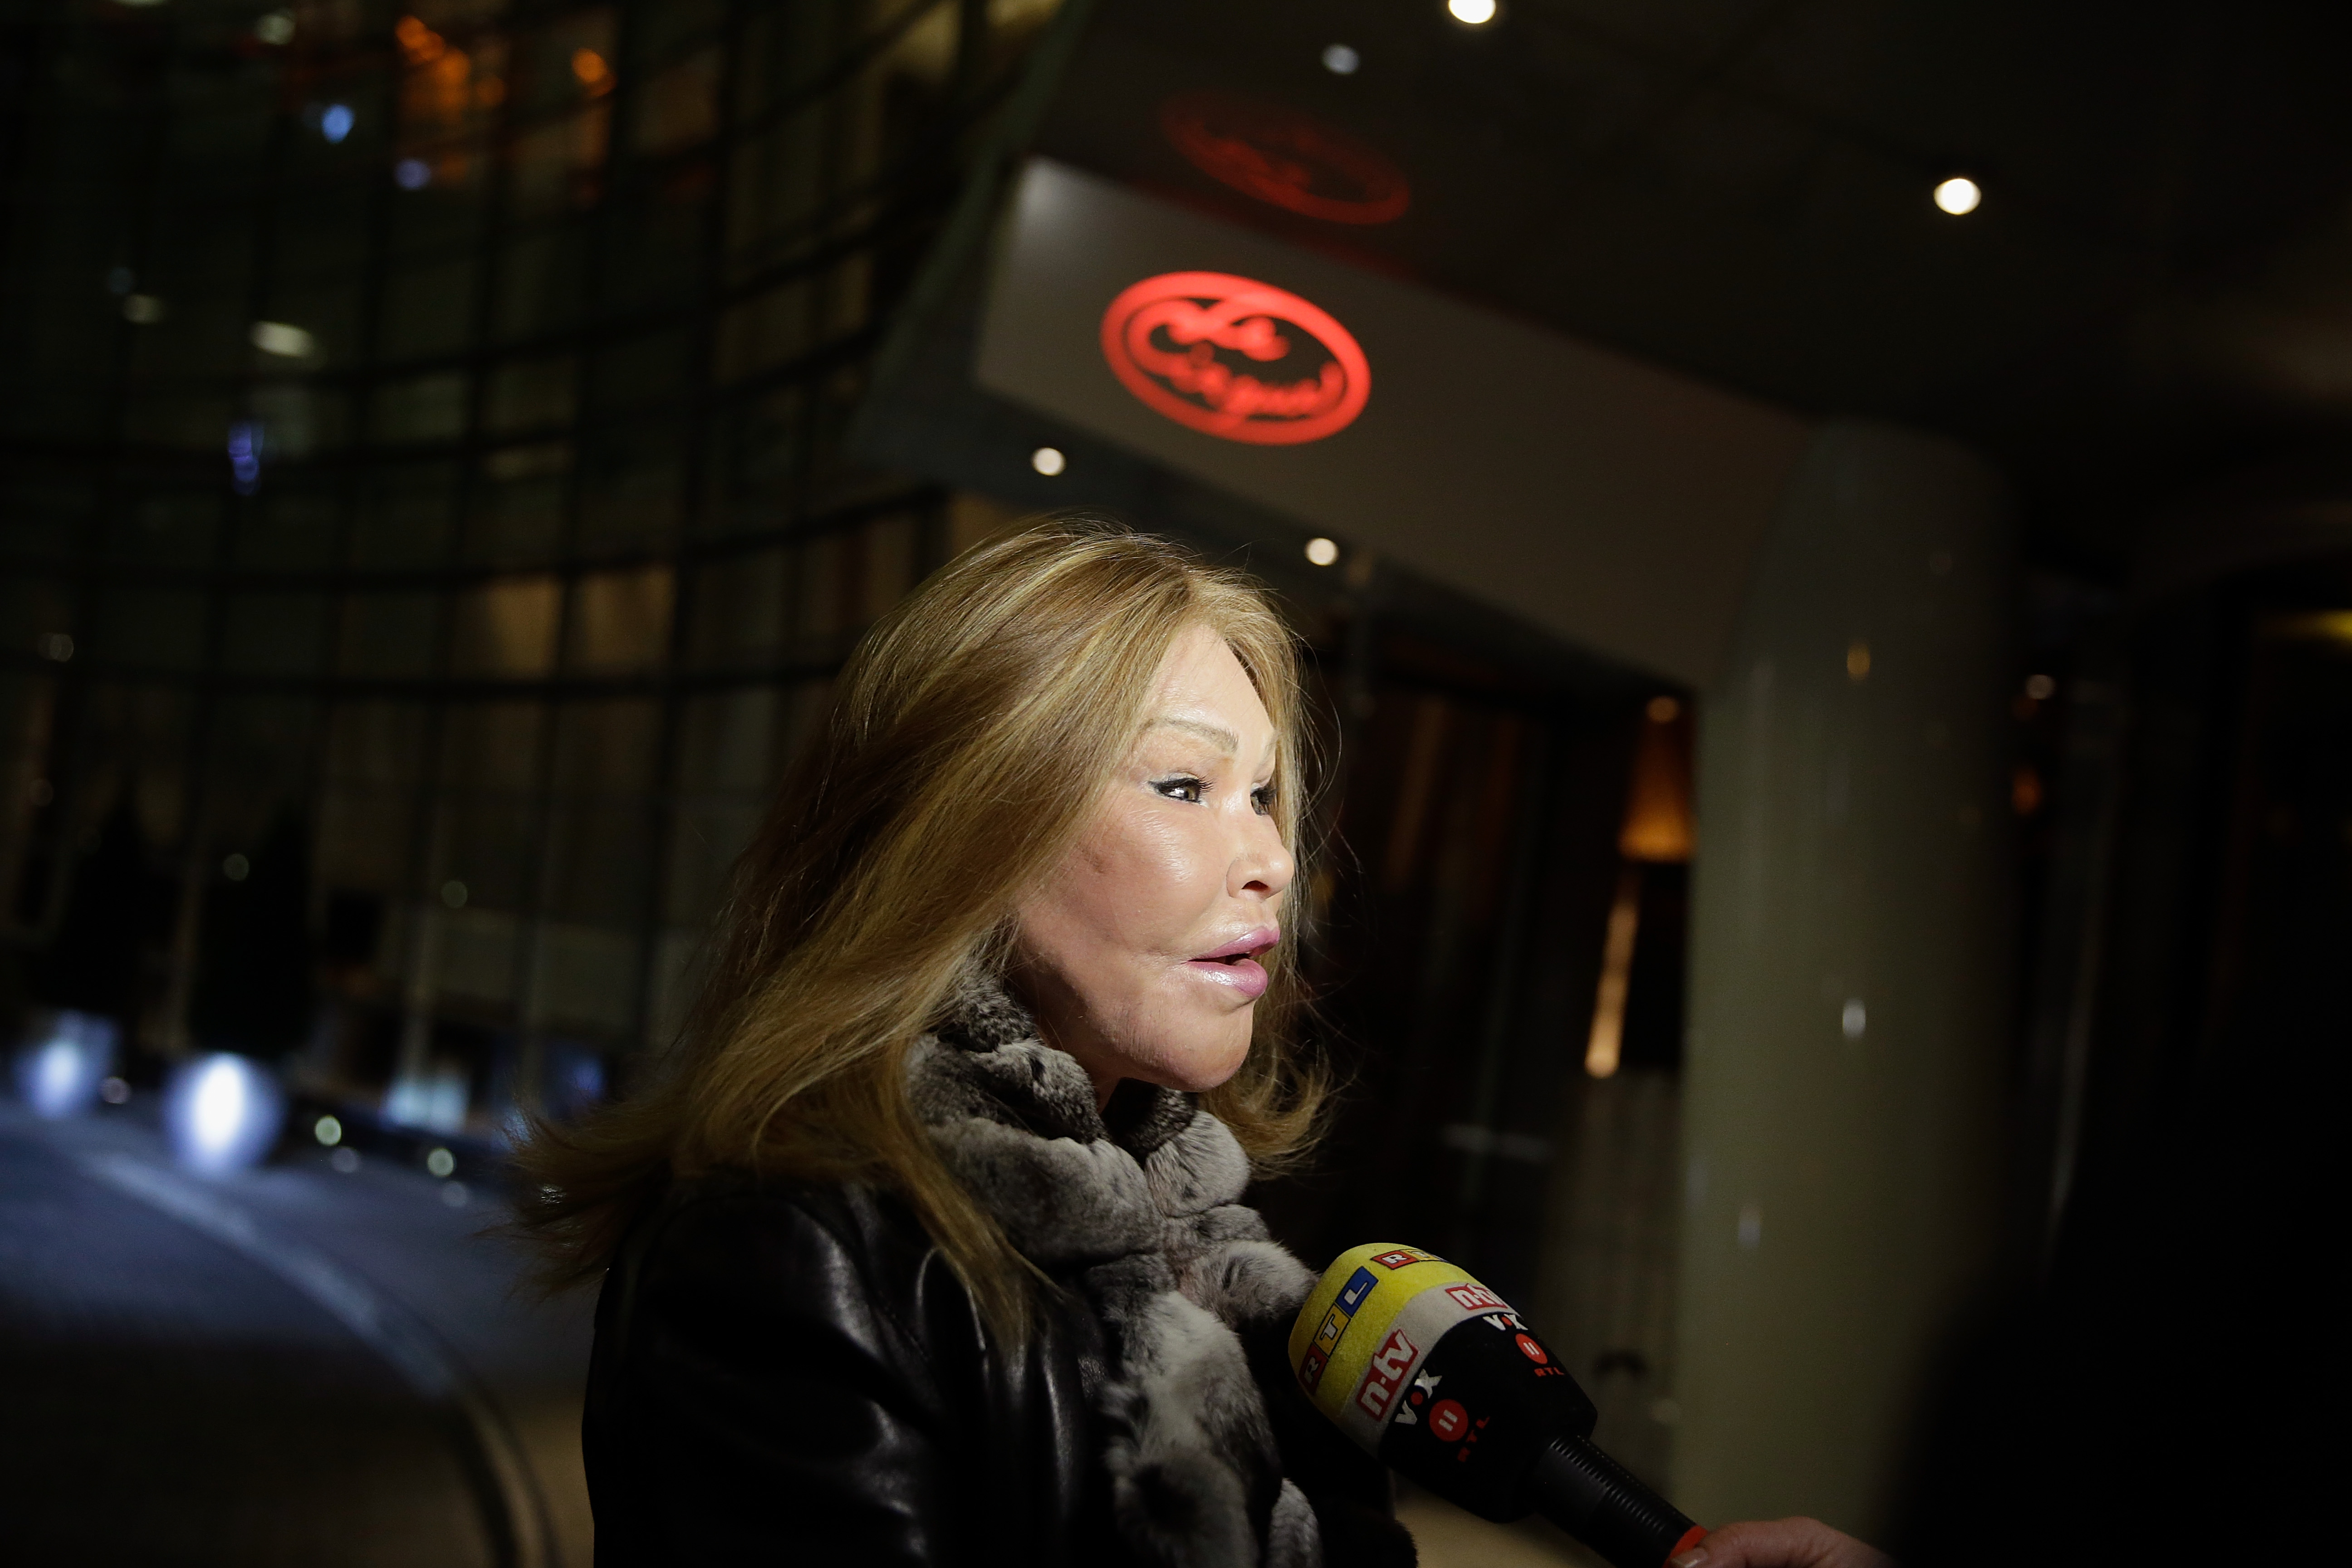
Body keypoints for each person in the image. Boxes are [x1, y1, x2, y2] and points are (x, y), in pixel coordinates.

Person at [516, 520, 1890, 1567]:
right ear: (972, 829)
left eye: (1267, 794)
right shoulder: (786, 1256)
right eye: (1185, 786)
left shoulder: (1222, 1278)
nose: (1272, 860)